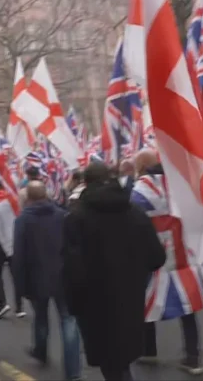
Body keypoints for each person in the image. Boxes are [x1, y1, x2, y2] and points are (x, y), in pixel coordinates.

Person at [64, 162, 165, 380]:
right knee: (121, 363)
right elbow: (157, 257)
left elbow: (72, 270)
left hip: (95, 307)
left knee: (111, 366)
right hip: (130, 300)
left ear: (85, 183)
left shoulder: (77, 217)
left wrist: (74, 305)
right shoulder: (135, 212)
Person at [131, 149, 203, 375]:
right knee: (188, 306)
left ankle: (148, 349)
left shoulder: (140, 190)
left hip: (152, 256)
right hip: (182, 253)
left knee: (145, 300)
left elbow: (133, 224)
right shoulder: (180, 185)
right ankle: (193, 358)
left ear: (142, 167)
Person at [16, 181, 82, 381]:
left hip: (37, 277)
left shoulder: (23, 220)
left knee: (41, 317)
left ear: (28, 198)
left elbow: (19, 256)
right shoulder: (62, 215)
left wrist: (20, 285)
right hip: (63, 275)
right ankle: (73, 371)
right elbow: (73, 246)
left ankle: (41, 351)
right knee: (68, 320)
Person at [0, 179, 24, 319]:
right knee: (16, 275)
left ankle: (2, 304)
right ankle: (19, 307)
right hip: (13, 240)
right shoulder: (12, 199)